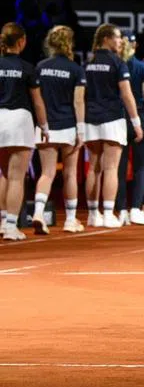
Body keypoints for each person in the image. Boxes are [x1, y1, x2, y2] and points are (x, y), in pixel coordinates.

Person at [82, 24, 143, 228]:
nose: (120, 41)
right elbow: (126, 94)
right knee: (110, 168)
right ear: (106, 39)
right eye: (117, 37)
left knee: (94, 168)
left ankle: (93, 215)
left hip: (91, 119)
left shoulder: (88, 64)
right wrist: (136, 122)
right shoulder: (118, 63)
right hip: (112, 119)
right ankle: (108, 214)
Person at [31, 25, 86, 234]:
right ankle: (71, 220)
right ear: (69, 43)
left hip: (45, 126)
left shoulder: (40, 67)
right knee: (70, 174)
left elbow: (36, 99)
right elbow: (78, 102)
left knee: (47, 173)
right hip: (68, 126)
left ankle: (37, 213)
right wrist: (81, 131)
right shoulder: (76, 69)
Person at [1, 23, 50, 240]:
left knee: (3, 175)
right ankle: (11, 226)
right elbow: (38, 102)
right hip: (19, 121)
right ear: (21, 42)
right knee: (15, 177)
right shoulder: (28, 68)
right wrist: (45, 126)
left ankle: (3, 221)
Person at [115, 30, 144, 226]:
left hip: (118, 118)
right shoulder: (142, 67)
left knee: (119, 167)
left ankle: (121, 210)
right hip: (140, 117)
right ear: (134, 46)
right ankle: (136, 208)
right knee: (142, 167)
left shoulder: (115, 65)